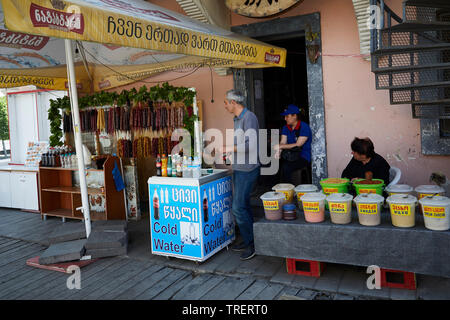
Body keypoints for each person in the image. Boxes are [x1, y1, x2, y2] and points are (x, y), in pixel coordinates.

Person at [221, 89, 260, 261]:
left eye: (226, 102)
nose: (225, 105)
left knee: (238, 207)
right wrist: (232, 155)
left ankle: (252, 245)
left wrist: (228, 149)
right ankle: (249, 240)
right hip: (240, 167)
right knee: (243, 205)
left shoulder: (249, 117)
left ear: (234, 102)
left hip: (248, 169)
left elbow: (250, 144)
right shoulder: (237, 119)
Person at [274, 104, 312, 184]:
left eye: (287, 116)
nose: (285, 119)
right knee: (276, 164)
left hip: (303, 156)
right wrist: (279, 151)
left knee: (286, 167)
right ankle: (282, 189)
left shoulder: (304, 127)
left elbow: (298, 144)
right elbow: (283, 142)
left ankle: (289, 190)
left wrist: (280, 146)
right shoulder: (285, 127)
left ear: (294, 116)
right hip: (290, 155)